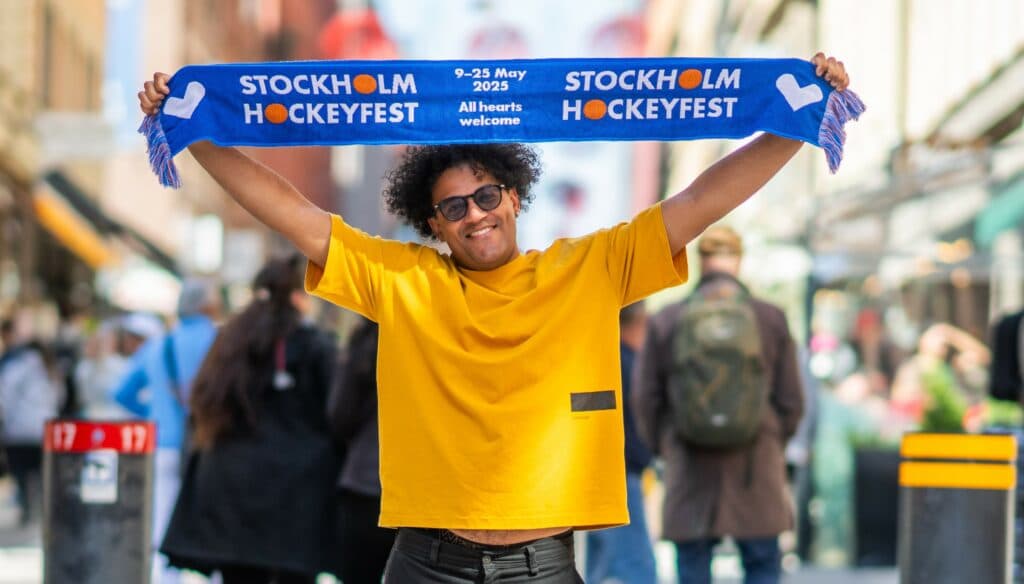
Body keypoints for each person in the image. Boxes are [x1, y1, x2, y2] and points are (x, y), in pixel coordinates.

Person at [139, 53, 849, 583]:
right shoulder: (402, 280)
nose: (474, 214)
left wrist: (796, 122)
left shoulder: (590, 267)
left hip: (544, 565)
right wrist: (196, 132)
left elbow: (702, 200)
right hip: (426, 562)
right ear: (433, 224)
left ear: (513, 197)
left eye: (485, 196)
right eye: (454, 207)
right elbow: (295, 215)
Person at [632, 226, 804, 584]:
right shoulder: (769, 317)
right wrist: (772, 439)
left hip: (690, 463)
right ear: (738, 261)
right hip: (756, 465)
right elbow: (791, 400)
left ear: (701, 262)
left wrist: (666, 445)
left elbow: (645, 398)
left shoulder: (667, 320)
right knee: (762, 565)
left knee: (693, 565)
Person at [160, 256, 340, 584]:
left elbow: (203, 401)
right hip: (297, 489)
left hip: (230, 481)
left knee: (239, 576)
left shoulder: (229, 341)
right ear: (299, 297)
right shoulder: (314, 345)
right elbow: (336, 412)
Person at [111, 280, 220, 584]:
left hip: (163, 445)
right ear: (208, 306)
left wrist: (154, 414)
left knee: (162, 525)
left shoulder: (158, 346)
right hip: (210, 446)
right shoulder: (221, 341)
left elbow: (120, 392)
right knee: (214, 521)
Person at [586, 302, 658, 583]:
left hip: (598, 472)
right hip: (621, 473)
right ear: (639, 323)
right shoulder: (627, 362)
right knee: (636, 563)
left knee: (600, 562)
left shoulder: (602, 356)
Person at [327, 316, 396, 583]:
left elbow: (340, 415)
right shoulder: (439, 333)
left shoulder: (367, 341)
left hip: (364, 481)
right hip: (423, 493)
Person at [0, 316, 61, 526]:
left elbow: (4, 396)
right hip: (45, 429)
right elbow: (58, 398)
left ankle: (27, 510)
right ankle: (43, 511)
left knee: (22, 474)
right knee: (43, 474)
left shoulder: (15, 367)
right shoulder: (50, 370)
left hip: (18, 430)